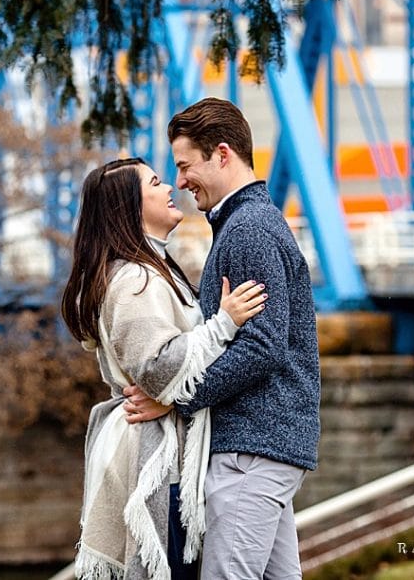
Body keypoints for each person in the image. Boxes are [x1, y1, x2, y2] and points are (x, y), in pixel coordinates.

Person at [124, 97, 321, 579]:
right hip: (266, 444)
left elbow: (262, 345)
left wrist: (177, 399)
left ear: (223, 154)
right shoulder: (247, 224)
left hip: (251, 450)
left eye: (186, 165)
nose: (182, 181)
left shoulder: (248, 230)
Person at [60, 157, 268, 580]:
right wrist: (224, 323)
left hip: (161, 450)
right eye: (155, 182)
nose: (170, 187)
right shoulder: (134, 279)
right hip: (155, 461)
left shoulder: (150, 269)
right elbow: (157, 368)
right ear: (129, 208)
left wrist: (169, 399)